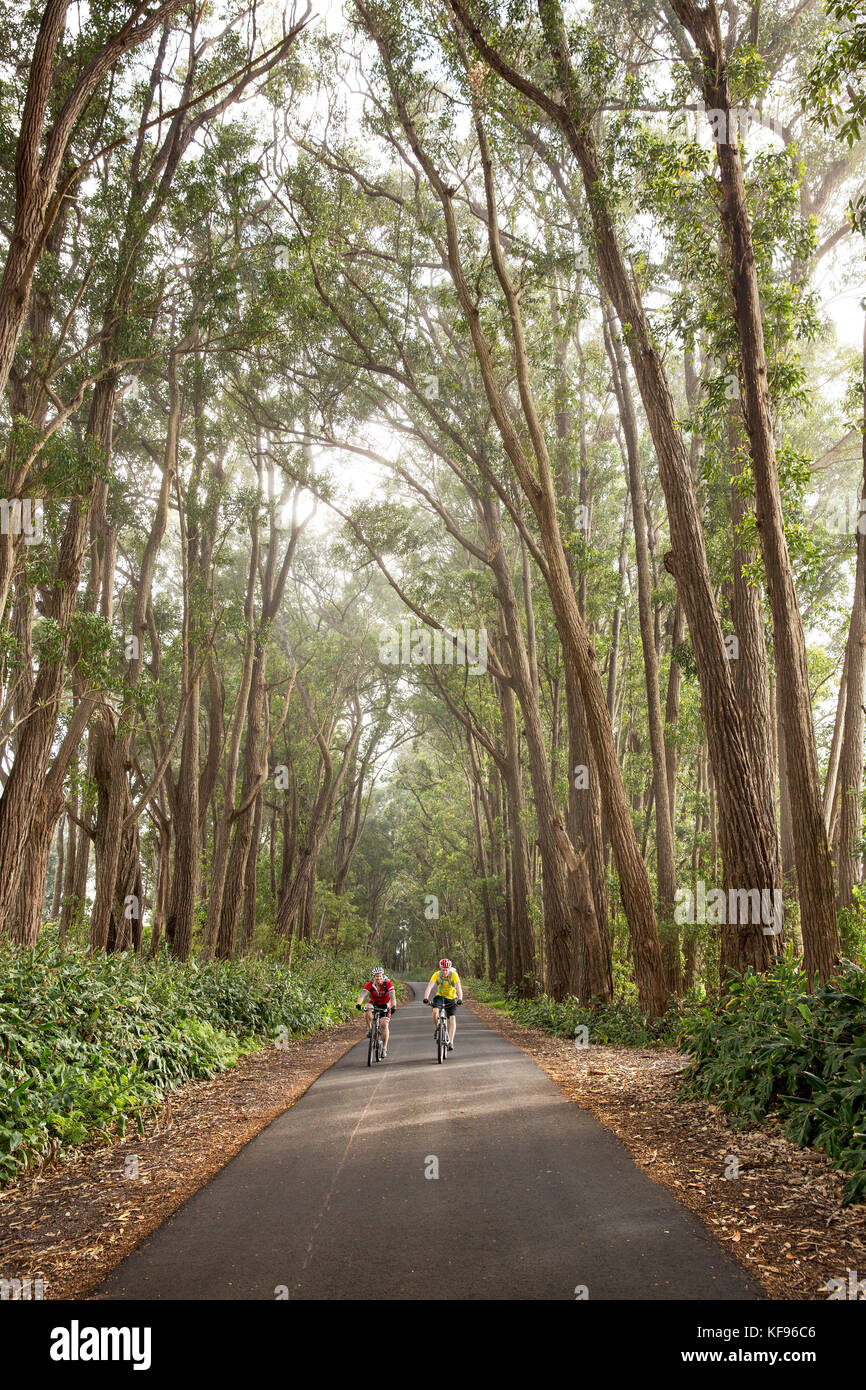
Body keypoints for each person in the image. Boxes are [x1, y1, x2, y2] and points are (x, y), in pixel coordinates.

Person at [423, 957, 463, 1050]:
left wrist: (460, 999)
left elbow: (458, 988)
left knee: (452, 1018)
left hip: (452, 998)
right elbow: (429, 986)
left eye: (446, 970)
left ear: (449, 969)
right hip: (440, 997)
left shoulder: (454, 975)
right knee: (435, 1011)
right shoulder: (436, 975)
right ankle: (437, 1029)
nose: (444, 972)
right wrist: (426, 998)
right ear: (440, 968)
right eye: (443, 969)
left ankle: (451, 1042)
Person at [356, 967, 396, 1058]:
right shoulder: (370, 984)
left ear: (383, 976)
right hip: (374, 1003)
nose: (379, 978)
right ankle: (370, 1029)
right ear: (374, 977)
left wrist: (394, 1006)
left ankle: (384, 1048)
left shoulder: (388, 984)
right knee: (366, 1008)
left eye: (380, 976)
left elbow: (393, 997)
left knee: (384, 1024)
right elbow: (363, 995)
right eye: (377, 976)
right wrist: (358, 1004)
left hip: (385, 1004)